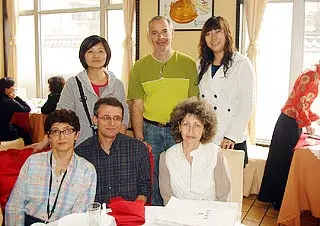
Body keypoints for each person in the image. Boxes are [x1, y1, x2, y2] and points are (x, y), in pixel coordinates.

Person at [127, 16, 199, 206]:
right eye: (155, 32)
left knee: (181, 175)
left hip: (180, 131)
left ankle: (179, 215)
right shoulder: (139, 67)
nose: (161, 37)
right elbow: (137, 105)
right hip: (151, 131)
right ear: (149, 36)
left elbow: (194, 103)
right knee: (154, 177)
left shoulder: (188, 64)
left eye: (165, 31)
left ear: (172, 33)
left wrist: (190, 133)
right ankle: (158, 215)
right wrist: (140, 137)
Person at [34, 35, 129, 150]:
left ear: (107, 55)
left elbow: (124, 115)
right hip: (82, 146)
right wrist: (44, 141)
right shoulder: (73, 83)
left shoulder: (117, 84)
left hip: (112, 147)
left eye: (100, 51)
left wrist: (118, 140)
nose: (96, 55)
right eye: (90, 51)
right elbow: (61, 115)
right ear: (83, 56)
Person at [5, 109, 97, 225]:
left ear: (76, 135)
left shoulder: (87, 171)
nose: (61, 136)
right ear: (49, 137)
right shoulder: (33, 162)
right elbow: (14, 206)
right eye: (55, 131)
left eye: (67, 130)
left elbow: (77, 217)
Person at [258, 63, 320, 210]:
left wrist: (315, 118)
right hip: (289, 123)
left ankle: (275, 198)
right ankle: (278, 200)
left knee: (279, 161)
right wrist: (308, 124)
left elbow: (302, 104)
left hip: (290, 121)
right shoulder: (312, 75)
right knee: (283, 162)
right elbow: (299, 104)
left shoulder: (313, 73)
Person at [198, 16, 255, 166]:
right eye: (208, 34)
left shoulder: (242, 63)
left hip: (231, 139)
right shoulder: (201, 65)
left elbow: (247, 105)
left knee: (232, 187)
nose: (213, 37)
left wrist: (231, 136)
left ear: (226, 34)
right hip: (207, 137)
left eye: (218, 32)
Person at [75, 97, 151, 205]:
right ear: (95, 120)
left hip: (129, 214)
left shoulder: (138, 149)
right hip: (96, 215)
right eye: (106, 118)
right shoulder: (81, 153)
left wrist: (135, 208)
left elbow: (145, 187)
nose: (112, 123)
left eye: (117, 118)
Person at [159, 97, 231, 205]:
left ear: (204, 129)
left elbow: (223, 197)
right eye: (186, 124)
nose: (190, 131)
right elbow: (167, 198)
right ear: (179, 127)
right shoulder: (166, 157)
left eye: (197, 125)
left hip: (210, 215)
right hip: (179, 215)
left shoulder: (215, 154)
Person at [0, 77, 32, 145]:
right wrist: (16, 98)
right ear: (6, 89)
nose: (15, 88)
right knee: (25, 132)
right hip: (5, 132)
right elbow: (27, 109)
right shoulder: (10, 102)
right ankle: (29, 150)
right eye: (13, 86)